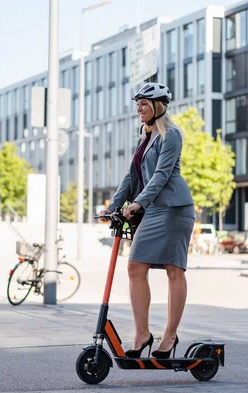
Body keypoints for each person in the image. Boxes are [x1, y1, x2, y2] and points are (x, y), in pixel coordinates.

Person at [99, 83, 195, 359]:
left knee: (173, 269)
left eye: (143, 103)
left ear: (158, 106)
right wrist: (114, 205)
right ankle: (143, 334)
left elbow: (161, 176)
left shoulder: (171, 134)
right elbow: (131, 176)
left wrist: (138, 202)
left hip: (175, 209)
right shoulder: (144, 136)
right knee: (134, 267)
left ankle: (170, 336)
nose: (139, 109)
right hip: (152, 209)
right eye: (137, 104)